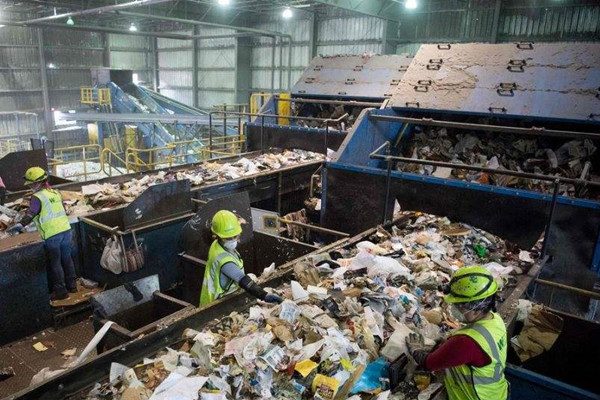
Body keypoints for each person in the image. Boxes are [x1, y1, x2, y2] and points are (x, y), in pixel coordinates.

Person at [406, 265, 509, 400]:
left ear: (476, 308)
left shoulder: (466, 341)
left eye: (459, 305)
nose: (454, 308)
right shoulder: (495, 319)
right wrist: (449, 339)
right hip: (497, 393)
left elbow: (429, 363)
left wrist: (416, 350)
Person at [7, 167, 76, 300]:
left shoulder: (37, 197)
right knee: (67, 259)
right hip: (66, 231)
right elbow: (61, 209)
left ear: (38, 182)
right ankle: (72, 286)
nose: (31, 186)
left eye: (32, 184)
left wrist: (20, 224)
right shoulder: (55, 193)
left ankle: (61, 292)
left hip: (52, 235)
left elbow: (31, 213)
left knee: (56, 263)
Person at [199, 210, 283, 307]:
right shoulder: (224, 261)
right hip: (215, 304)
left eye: (234, 236)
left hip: (216, 296)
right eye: (228, 238)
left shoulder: (217, 245)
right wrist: (264, 295)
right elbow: (243, 280)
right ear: (218, 236)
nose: (233, 240)